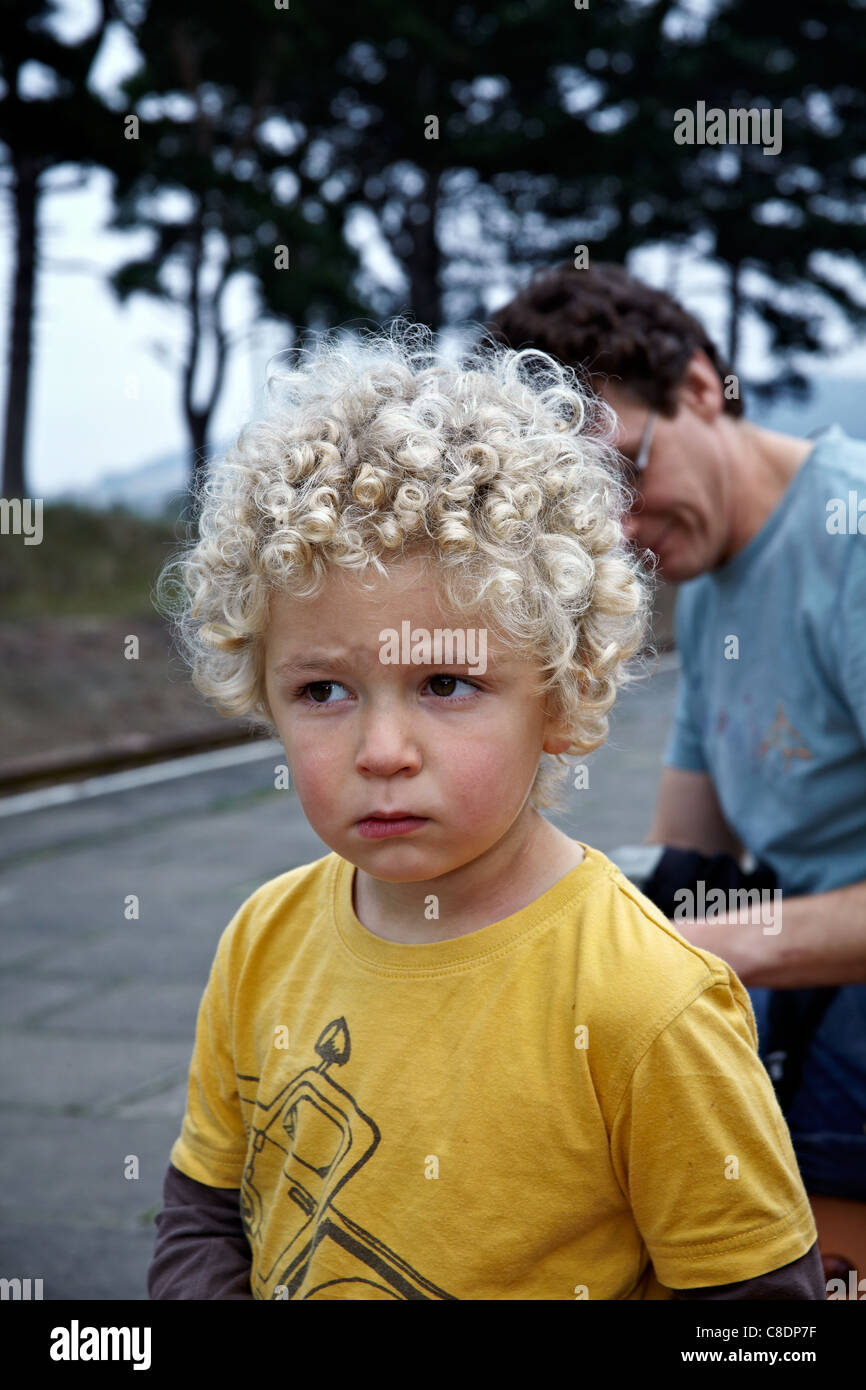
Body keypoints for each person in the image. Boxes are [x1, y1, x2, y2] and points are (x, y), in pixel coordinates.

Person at [147, 324, 824, 1300]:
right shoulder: (260, 942)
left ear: (558, 696)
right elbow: (204, 1210)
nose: (382, 751)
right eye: (324, 692)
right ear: (261, 691)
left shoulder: (646, 1001)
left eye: (446, 682)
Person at [486, 262, 866, 1288]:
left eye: (621, 471)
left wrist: (681, 949)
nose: (612, 528)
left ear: (698, 388)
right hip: (807, 940)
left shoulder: (850, 540)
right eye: (576, 502)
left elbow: (692, 919)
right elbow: (689, 851)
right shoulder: (707, 581)